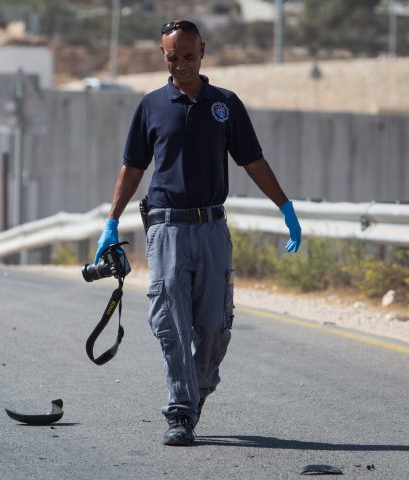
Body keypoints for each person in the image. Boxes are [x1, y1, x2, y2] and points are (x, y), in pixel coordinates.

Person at [93, 20, 302, 447]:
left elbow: (253, 161)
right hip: (166, 229)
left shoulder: (225, 104)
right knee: (171, 323)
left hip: (211, 230)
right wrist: (112, 221)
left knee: (213, 329)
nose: (181, 64)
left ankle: (196, 389)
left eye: (188, 55)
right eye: (173, 57)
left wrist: (285, 206)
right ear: (162, 55)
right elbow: (133, 167)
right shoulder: (151, 106)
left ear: (202, 51)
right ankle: (181, 412)